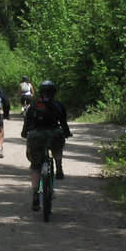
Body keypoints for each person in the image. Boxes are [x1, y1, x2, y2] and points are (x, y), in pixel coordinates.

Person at [21, 79, 72, 211]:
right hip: (54, 134)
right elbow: (64, 123)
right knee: (58, 142)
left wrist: (24, 133)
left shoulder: (34, 105)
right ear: (54, 92)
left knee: (35, 166)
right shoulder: (58, 105)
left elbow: (27, 122)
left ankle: (35, 194)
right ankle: (59, 165)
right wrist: (66, 133)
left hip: (36, 136)